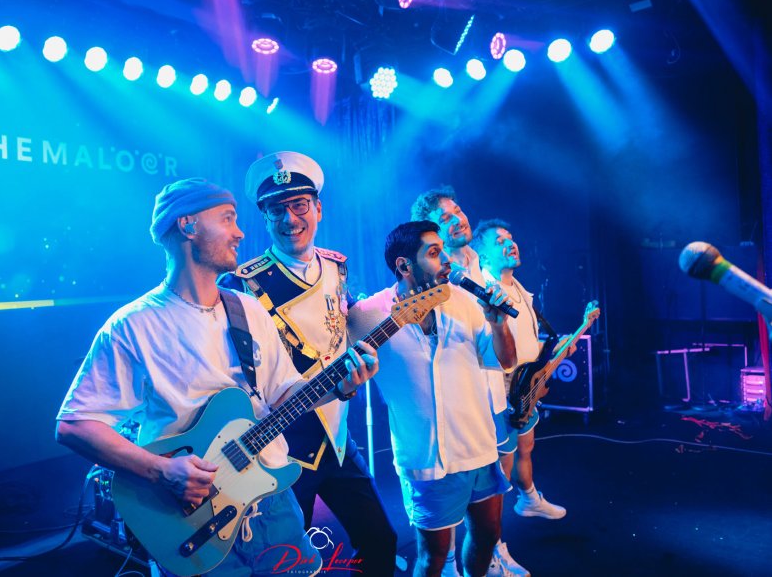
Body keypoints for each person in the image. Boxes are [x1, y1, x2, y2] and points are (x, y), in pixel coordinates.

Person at [55, 177, 379, 576]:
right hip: (193, 518)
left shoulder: (248, 309)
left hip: (272, 503)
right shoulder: (133, 325)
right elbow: (74, 425)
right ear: (188, 224)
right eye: (227, 218)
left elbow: (283, 393)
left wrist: (339, 387)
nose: (240, 232)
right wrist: (162, 471)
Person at [219, 152, 398, 575]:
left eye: (299, 205)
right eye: (276, 209)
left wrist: (359, 370)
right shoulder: (241, 284)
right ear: (264, 217)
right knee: (284, 563)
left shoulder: (337, 267)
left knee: (380, 540)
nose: (290, 219)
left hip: (336, 434)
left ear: (318, 208)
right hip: (278, 444)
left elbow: (338, 332)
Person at [348, 220, 518, 577]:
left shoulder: (464, 300)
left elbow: (505, 361)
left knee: (488, 535)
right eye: (434, 252)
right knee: (434, 555)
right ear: (404, 265)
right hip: (426, 457)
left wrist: (499, 323)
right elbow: (341, 372)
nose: (447, 261)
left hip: (479, 445)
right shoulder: (368, 315)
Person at [410, 187, 528, 577]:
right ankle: (448, 563)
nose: (457, 219)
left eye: (457, 210)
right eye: (444, 218)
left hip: (493, 399)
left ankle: (494, 553)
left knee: (491, 503)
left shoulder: (478, 265)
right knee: (446, 516)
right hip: (457, 412)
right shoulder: (434, 280)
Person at [471, 218, 569, 523]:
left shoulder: (520, 291)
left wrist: (555, 351)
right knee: (503, 465)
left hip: (525, 390)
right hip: (500, 396)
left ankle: (529, 499)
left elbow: (526, 341)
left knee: (527, 446)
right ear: (483, 256)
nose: (510, 244)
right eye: (499, 241)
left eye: (510, 238)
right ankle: (491, 537)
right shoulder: (483, 293)